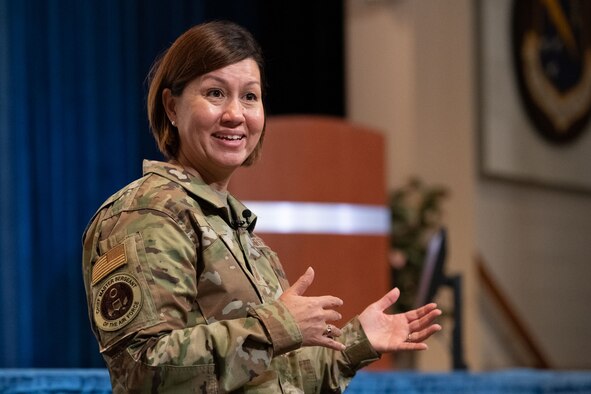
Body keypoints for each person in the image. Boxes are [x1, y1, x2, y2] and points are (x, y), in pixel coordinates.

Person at [81, 20, 442, 393]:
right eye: (216, 93)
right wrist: (276, 326)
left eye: (250, 96)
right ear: (172, 107)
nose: (236, 114)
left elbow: (278, 377)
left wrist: (357, 341)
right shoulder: (150, 213)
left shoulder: (236, 228)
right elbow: (142, 371)